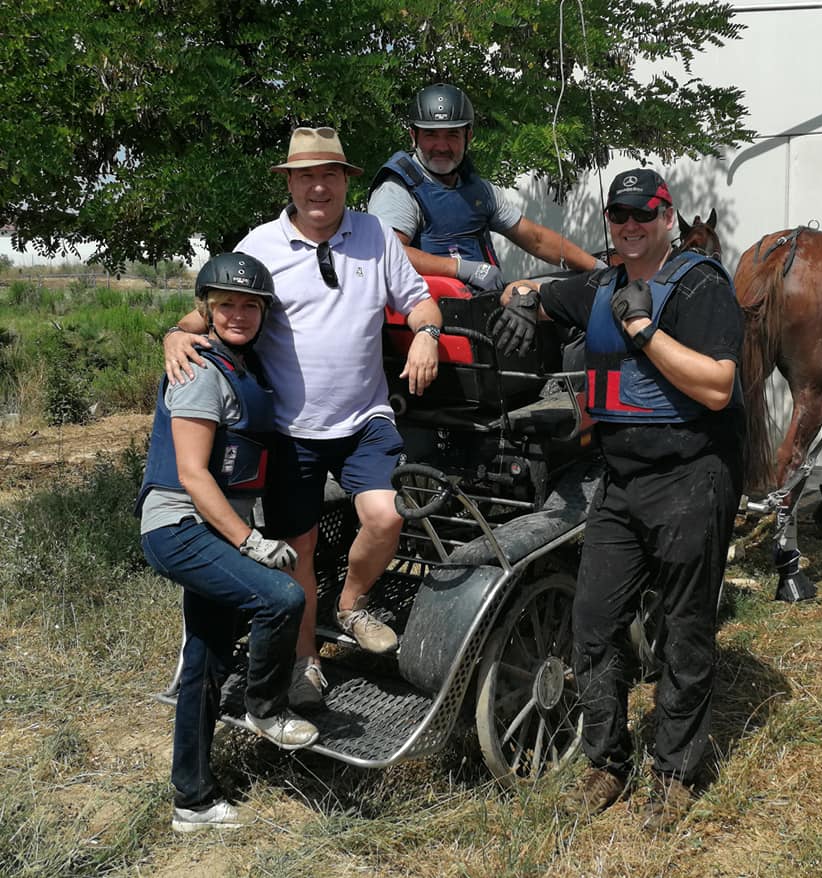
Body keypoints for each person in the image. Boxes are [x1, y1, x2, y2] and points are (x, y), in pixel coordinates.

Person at [494, 169, 745, 829]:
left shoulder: (699, 284)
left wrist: (645, 333)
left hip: (693, 474)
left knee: (685, 630)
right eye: (619, 215)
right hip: (622, 478)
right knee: (594, 622)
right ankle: (607, 760)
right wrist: (522, 303)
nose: (630, 225)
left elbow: (718, 387)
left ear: (668, 215)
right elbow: (538, 291)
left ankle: (675, 773)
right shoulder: (601, 284)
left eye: (644, 213)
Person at [163, 127, 442, 708]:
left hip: (365, 415)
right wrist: (173, 334)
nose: (319, 186)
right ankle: (306, 660)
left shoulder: (374, 234)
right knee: (301, 548)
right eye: (306, 176)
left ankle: (353, 604)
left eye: (330, 175)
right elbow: (213, 308)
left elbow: (418, 299)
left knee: (387, 516)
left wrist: (427, 335)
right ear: (289, 182)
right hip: (290, 430)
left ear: (345, 180)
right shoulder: (261, 244)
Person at [138, 252, 320, 833]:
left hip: (209, 528)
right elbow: (192, 473)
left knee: (206, 662)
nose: (238, 313)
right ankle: (266, 708)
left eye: (249, 304)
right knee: (282, 598)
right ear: (207, 311)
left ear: (263, 312)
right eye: (226, 305)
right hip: (180, 526)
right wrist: (252, 543)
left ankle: (191, 800)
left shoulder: (241, 363)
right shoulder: (199, 373)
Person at [368, 83, 604, 293]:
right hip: (429, 318)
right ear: (414, 136)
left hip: (485, 307)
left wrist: (597, 268)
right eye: (430, 134)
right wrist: (461, 269)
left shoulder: (480, 190)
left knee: (566, 295)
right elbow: (389, 253)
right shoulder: (398, 189)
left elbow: (536, 239)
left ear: (468, 136)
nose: (441, 146)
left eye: (453, 135)